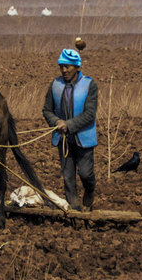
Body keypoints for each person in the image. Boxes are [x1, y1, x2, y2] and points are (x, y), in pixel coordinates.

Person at [42, 48, 98, 211]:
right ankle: (75, 210)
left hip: (84, 138)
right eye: (61, 66)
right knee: (68, 177)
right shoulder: (55, 85)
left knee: (86, 173)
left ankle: (90, 189)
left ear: (76, 67)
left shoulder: (89, 84)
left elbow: (90, 114)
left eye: (67, 66)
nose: (64, 70)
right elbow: (47, 110)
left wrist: (69, 125)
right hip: (63, 140)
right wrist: (56, 121)